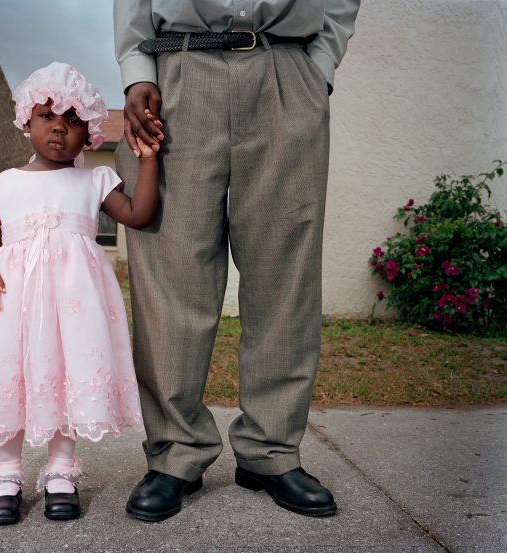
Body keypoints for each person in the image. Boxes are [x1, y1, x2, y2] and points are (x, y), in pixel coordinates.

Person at [113, 1, 360, 521]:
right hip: (175, 76)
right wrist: (137, 68)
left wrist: (319, 68)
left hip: (286, 74)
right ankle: (175, 451)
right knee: (171, 272)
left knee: (285, 275)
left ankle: (271, 451)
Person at [0, 62, 162, 525]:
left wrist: (147, 160)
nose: (60, 127)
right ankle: (5, 473)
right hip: (13, 302)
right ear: (27, 121)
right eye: (47, 116)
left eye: (74, 120)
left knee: (66, 375)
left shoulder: (95, 181)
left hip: (73, 306)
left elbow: (140, 215)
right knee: (11, 376)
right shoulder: (4, 185)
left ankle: (62, 470)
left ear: (90, 134)